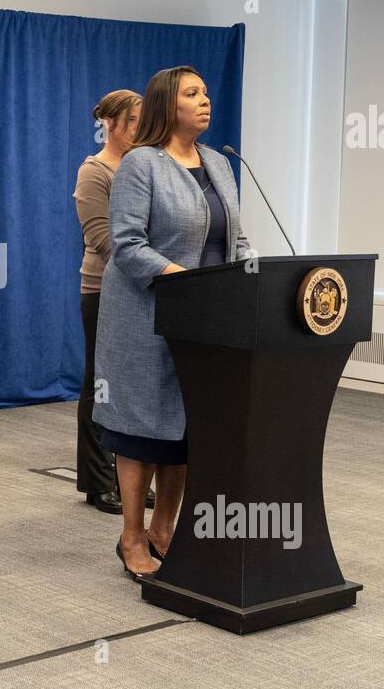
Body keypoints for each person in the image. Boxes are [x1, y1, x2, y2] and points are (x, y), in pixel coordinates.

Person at [93, 66, 252, 578]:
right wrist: (183, 280)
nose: (205, 100)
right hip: (146, 317)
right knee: (143, 430)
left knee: (186, 431)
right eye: (192, 94)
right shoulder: (142, 163)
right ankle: (132, 538)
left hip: (204, 321)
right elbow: (128, 244)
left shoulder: (219, 164)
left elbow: (236, 239)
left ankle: (166, 532)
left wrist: (249, 275)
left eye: (206, 91)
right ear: (168, 105)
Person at [73, 89, 142, 514]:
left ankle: (129, 478)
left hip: (142, 292)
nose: (139, 128)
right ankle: (98, 482)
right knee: (99, 385)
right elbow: (101, 240)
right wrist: (152, 259)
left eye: (142, 120)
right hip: (103, 290)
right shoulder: (94, 172)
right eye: (132, 121)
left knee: (134, 389)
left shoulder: (145, 167)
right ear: (110, 124)